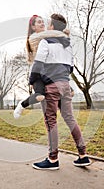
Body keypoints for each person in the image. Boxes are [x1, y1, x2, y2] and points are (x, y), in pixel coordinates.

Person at [30, 13, 91, 170]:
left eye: (49, 23)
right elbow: (70, 68)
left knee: (51, 121)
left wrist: (34, 81)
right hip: (65, 85)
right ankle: (83, 155)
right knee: (70, 119)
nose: (47, 25)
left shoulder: (46, 42)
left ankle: (52, 159)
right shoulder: (67, 45)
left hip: (51, 86)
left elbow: (38, 65)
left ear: (52, 27)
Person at [13, 15, 69, 119]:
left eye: (43, 22)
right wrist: (64, 33)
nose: (42, 23)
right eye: (39, 22)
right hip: (37, 74)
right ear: (33, 27)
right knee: (40, 96)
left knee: (64, 100)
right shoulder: (34, 37)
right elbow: (54, 33)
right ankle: (21, 105)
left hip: (49, 73)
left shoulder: (48, 37)